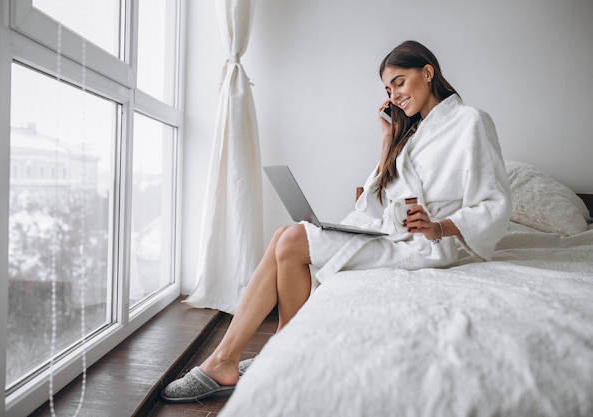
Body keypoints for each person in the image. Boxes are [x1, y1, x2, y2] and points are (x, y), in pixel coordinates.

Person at [161, 40, 512, 403]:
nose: (395, 96)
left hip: (432, 244)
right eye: (388, 90)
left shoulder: (472, 122)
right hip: (395, 233)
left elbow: (495, 204)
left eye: (400, 82)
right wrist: (388, 138)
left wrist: (439, 227)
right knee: (285, 234)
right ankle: (251, 353)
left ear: (427, 73)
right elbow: (376, 201)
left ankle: (243, 357)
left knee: (294, 240)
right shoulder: (412, 135)